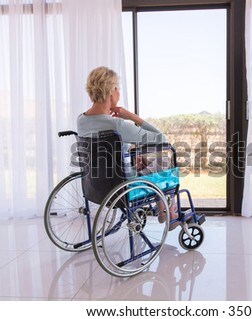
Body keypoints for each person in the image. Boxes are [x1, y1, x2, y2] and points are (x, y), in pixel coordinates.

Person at [77, 66, 179, 230]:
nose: (119, 93)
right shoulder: (117, 124)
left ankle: (163, 210)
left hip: (95, 186)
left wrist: (131, 159)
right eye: (117, 88)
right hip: (123, 186)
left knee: (144, 159)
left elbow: (106, 151)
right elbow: (161, 139)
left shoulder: (81, 120)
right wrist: (131, 116)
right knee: (164, 158)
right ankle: (167, 213)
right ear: (111, 91)